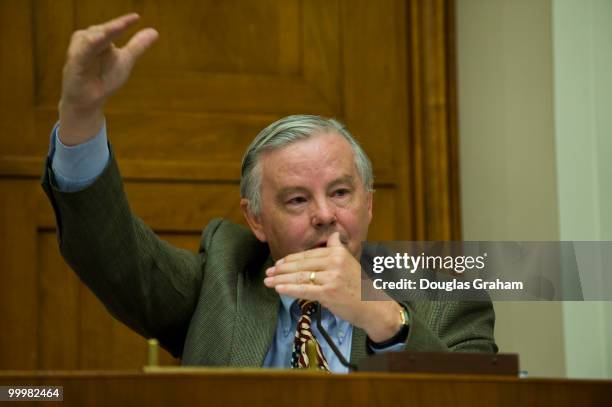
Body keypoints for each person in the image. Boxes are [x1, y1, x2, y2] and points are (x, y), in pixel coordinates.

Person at [41, 13, 497, 373]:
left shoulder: (445, 289)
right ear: (256, 219)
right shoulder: (224, 278)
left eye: (340, 192)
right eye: (297, 200)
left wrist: (380, 316)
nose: (324, 215)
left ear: (369, 202)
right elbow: (115, 257)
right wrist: (81, 113)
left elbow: (481, 399)